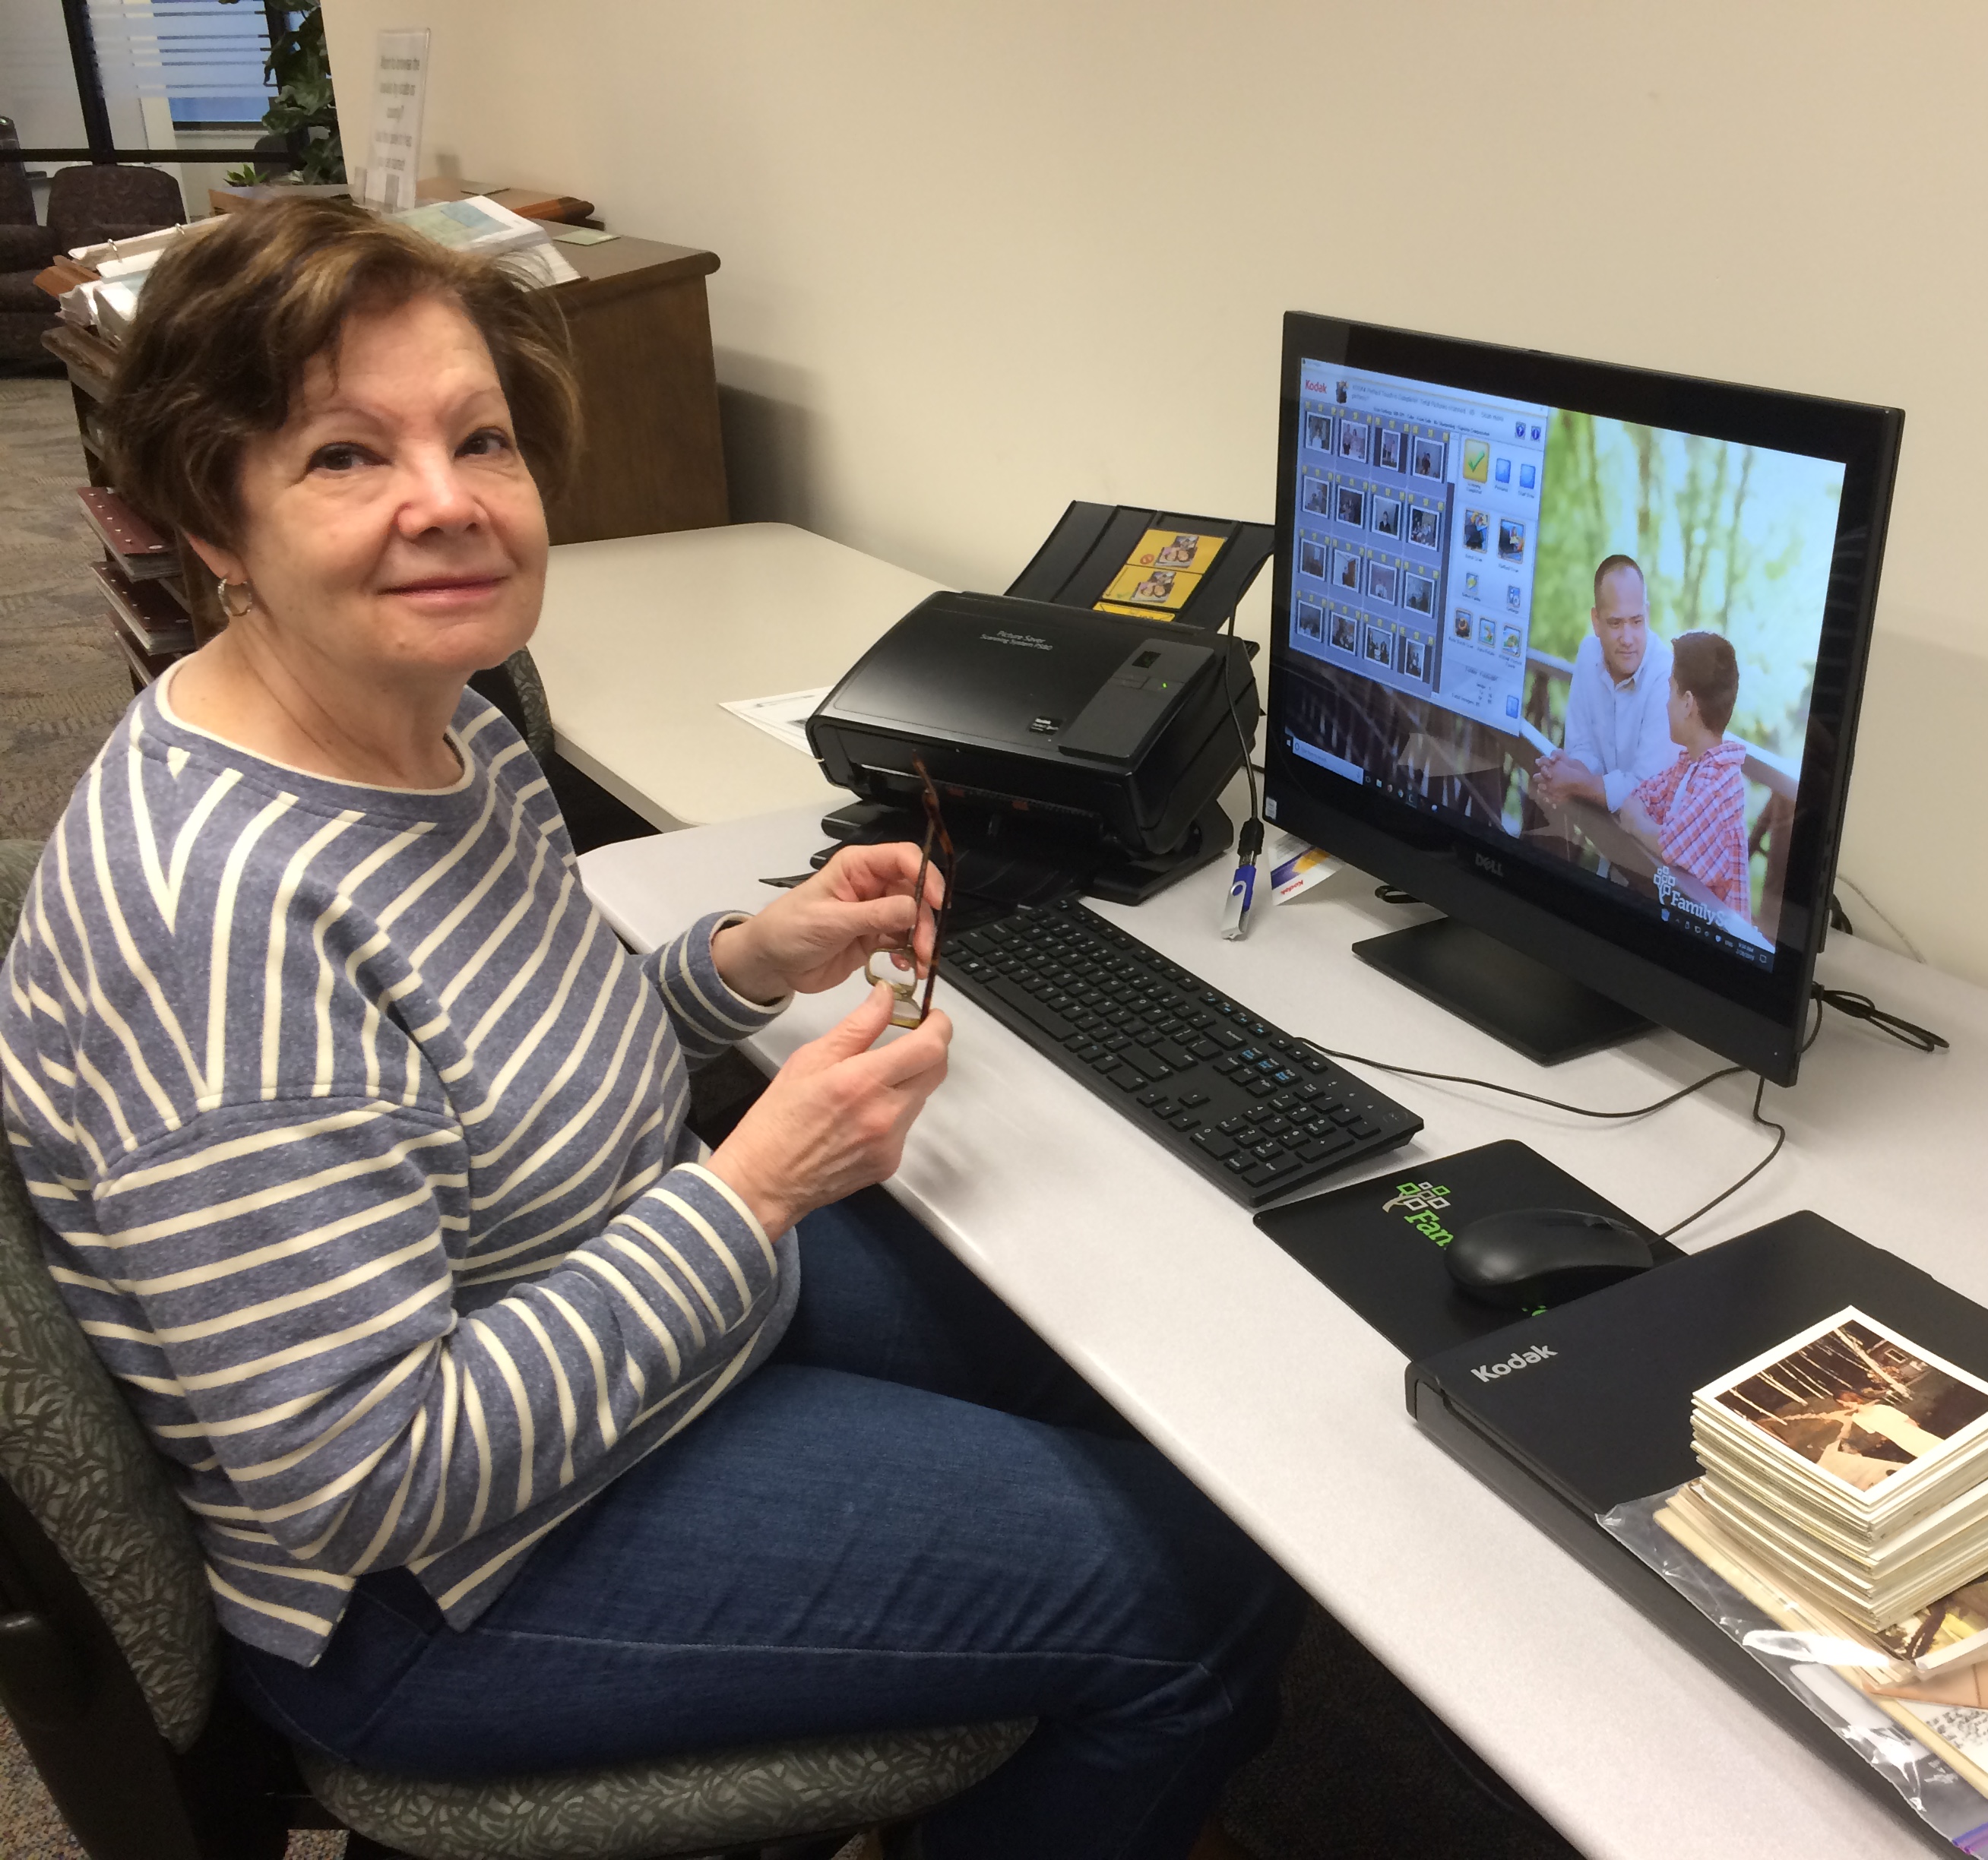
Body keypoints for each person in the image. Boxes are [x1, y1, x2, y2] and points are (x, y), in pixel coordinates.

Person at [0, 198, 1296, 1860]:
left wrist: (747, 958)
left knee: (1133, 1358)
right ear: (212, 515)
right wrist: (753, 1189)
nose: (448, 502)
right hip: (434, 1587)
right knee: (1203, 1605)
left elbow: (496, 1069)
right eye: (344, 456)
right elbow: (375, 1474)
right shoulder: (216, 928)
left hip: (593, 1299)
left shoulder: (434, 723)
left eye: (480, 438)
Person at [1616, 630, 1752, 916]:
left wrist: (1638, 825)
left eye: (1670, 690)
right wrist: (1645, 823)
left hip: (1717, 946)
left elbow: (1672, 845)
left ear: (1687, 702)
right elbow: (1639, 797)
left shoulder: (1718, 782)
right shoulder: (1691, 766)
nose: (1666, 703)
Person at [1531, 555, 1677, 815]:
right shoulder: (1588, 654)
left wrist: (1578, 782)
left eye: (1636, 621)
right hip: (1614, 834)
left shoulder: (1665, 679)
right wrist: (1566, 770)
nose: (1628, 638)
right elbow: (1581, 747)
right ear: (1596, 621)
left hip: (1662, 847)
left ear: (1648, 614)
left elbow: (1647, 794)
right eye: (1615, 623)